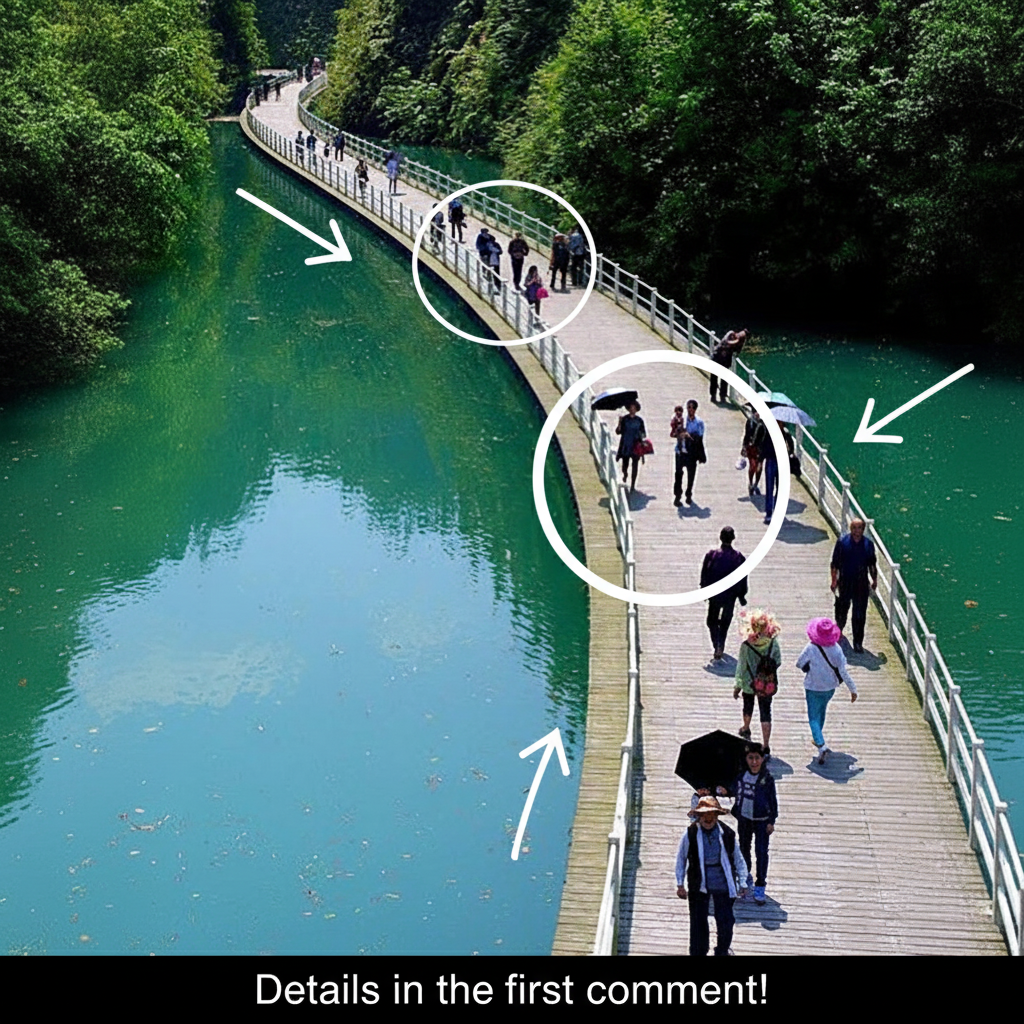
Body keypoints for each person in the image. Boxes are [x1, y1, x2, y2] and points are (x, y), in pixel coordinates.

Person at [675, 796, 748, 956]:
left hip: (722, 882)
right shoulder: (690, 834)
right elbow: (681, 859)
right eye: (705, 815)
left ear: (716, 815)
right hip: (698, 882)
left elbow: (738, 858)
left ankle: (722, 951)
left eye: (712, 814)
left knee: (726, 921)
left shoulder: (727, 834)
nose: (708, 819)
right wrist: (680, 884)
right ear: (699, 816)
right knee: (698, 922)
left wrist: (743, 881)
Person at [719, 743, 778, 905]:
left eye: (757, 758)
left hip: (762, 821)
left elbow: (773, 802)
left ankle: (760, 885)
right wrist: (723, 791)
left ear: (762, 759)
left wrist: (771, 821)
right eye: (750, 758)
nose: (754, 762)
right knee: (744, 850)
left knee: (761, 852)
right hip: (744, 820)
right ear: (745, 759)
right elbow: (733, 790)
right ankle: (745, 879)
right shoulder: (740, 776)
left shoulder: (767, 779)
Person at [796, 616, 858, 764]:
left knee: (813, 717)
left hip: (813, 687)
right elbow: (843, 672)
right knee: (821, 710)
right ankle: (818, 737)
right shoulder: (837, 649)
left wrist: (808, 667)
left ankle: (821, 745)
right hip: (829, 688)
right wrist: (853, 689)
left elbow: (799, 663)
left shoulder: (811, 648)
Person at [733, 608, 781, 757]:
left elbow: (741, 667)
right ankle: (766, 745)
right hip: (766, 685)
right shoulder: (773, 643)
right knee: (766, 712)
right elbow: (778, 661)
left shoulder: (746, 645)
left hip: (749, 682)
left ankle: (746, 728)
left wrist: (737, 686)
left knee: (748, 706)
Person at [700, 526, 748, 660]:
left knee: (711, 621)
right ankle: (720, 644)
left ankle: (717, 644)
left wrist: (704, 590)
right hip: (730, 596)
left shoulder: (711, 555)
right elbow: (743, 578)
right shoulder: (739, 558)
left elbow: (705, 574)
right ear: (733, 539)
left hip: (715, 594)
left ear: (720, 537)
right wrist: (742, 595)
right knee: (725, 623)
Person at [830, 517, 877, 653]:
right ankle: (839, 630)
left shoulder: (868, 545)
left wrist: (874, 580)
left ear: (863, 529)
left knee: (859, 614)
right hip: (845, 582)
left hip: (861, 584)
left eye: (859, 528)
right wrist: (834, 580)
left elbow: (872, 565)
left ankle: (858, 642)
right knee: (841, 609)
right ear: (851, 529)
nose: (857, 531)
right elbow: (834, 564)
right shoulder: (842, 543)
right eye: (854, 528)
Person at [673, 399, 704, 507]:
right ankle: (677, 496)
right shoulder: (681, 420)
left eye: (692, 408)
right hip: (680, 451)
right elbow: (673, 432)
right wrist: (679, 434)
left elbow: (699, 439)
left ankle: (689, 494)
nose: (690, 410)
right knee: (678, 474)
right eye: (689, 407)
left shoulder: (699, 422)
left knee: (691, 476)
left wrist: (689, 436)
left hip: (691, 453)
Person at [615, 400, 646, 495]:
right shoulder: (624, 419)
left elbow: (644, 433)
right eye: (631, 408)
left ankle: (633, 484)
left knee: (635, 465)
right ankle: (625, 474)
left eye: (634, 408)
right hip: (626, 444)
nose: (632, 410)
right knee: (625, 464)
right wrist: (619, 423)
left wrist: (641, 438)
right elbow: (618, 432)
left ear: (636, 409)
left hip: (635, 445)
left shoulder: (639, 420)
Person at [710, 329, 748, 403]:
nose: (740, 336)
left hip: (726, 360)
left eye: (743, 337)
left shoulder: (740, 343)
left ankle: (723, 396)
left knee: (724, 379)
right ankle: (713, 395)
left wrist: (740, 343)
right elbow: (726, 341)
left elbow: (737, 352)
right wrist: (737, 341)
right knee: (714, 377)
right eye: (741, 334)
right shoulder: (731, 333)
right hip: (717, 356)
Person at [741, 409, 766, 496]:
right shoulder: (750, 421)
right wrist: (744, 446)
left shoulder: (765, 424)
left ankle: (756, 484)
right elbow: (747, 434)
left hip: (761, 448)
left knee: (759, 467)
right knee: (753, 466)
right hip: (751, 447)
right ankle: (751, 483)